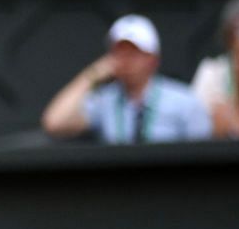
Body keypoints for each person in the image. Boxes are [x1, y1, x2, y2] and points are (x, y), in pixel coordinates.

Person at [41, 15, 212, 144]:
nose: (125, 60)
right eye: (119, 53)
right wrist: (93, 74)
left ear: (153, 59)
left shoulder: (185, 101)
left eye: (134, 53)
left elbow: (202, 156)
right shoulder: (105, 101)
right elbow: (55, 123)